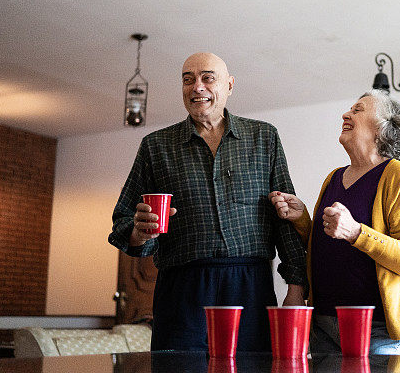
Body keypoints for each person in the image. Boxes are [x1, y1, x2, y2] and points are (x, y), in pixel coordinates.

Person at [108, 52, 307, 352]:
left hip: (250, 285)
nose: (196, 87)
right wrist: (139, 233)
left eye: (207, 78)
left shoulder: (264, 138)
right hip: (181, 290)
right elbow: (123, 220)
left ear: (229, 85)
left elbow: (285, 217)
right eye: (188, 80)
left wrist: (296, 288)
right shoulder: (156, 146)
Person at [268, 90, 400, 355]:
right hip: (323, 324)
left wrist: (357, 232)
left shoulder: (398, 176)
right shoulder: (334, 177)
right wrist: (302, 219)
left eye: (358, 109)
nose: (346, 114)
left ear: (383, 127)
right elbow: (327, 243)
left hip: (377, 330)